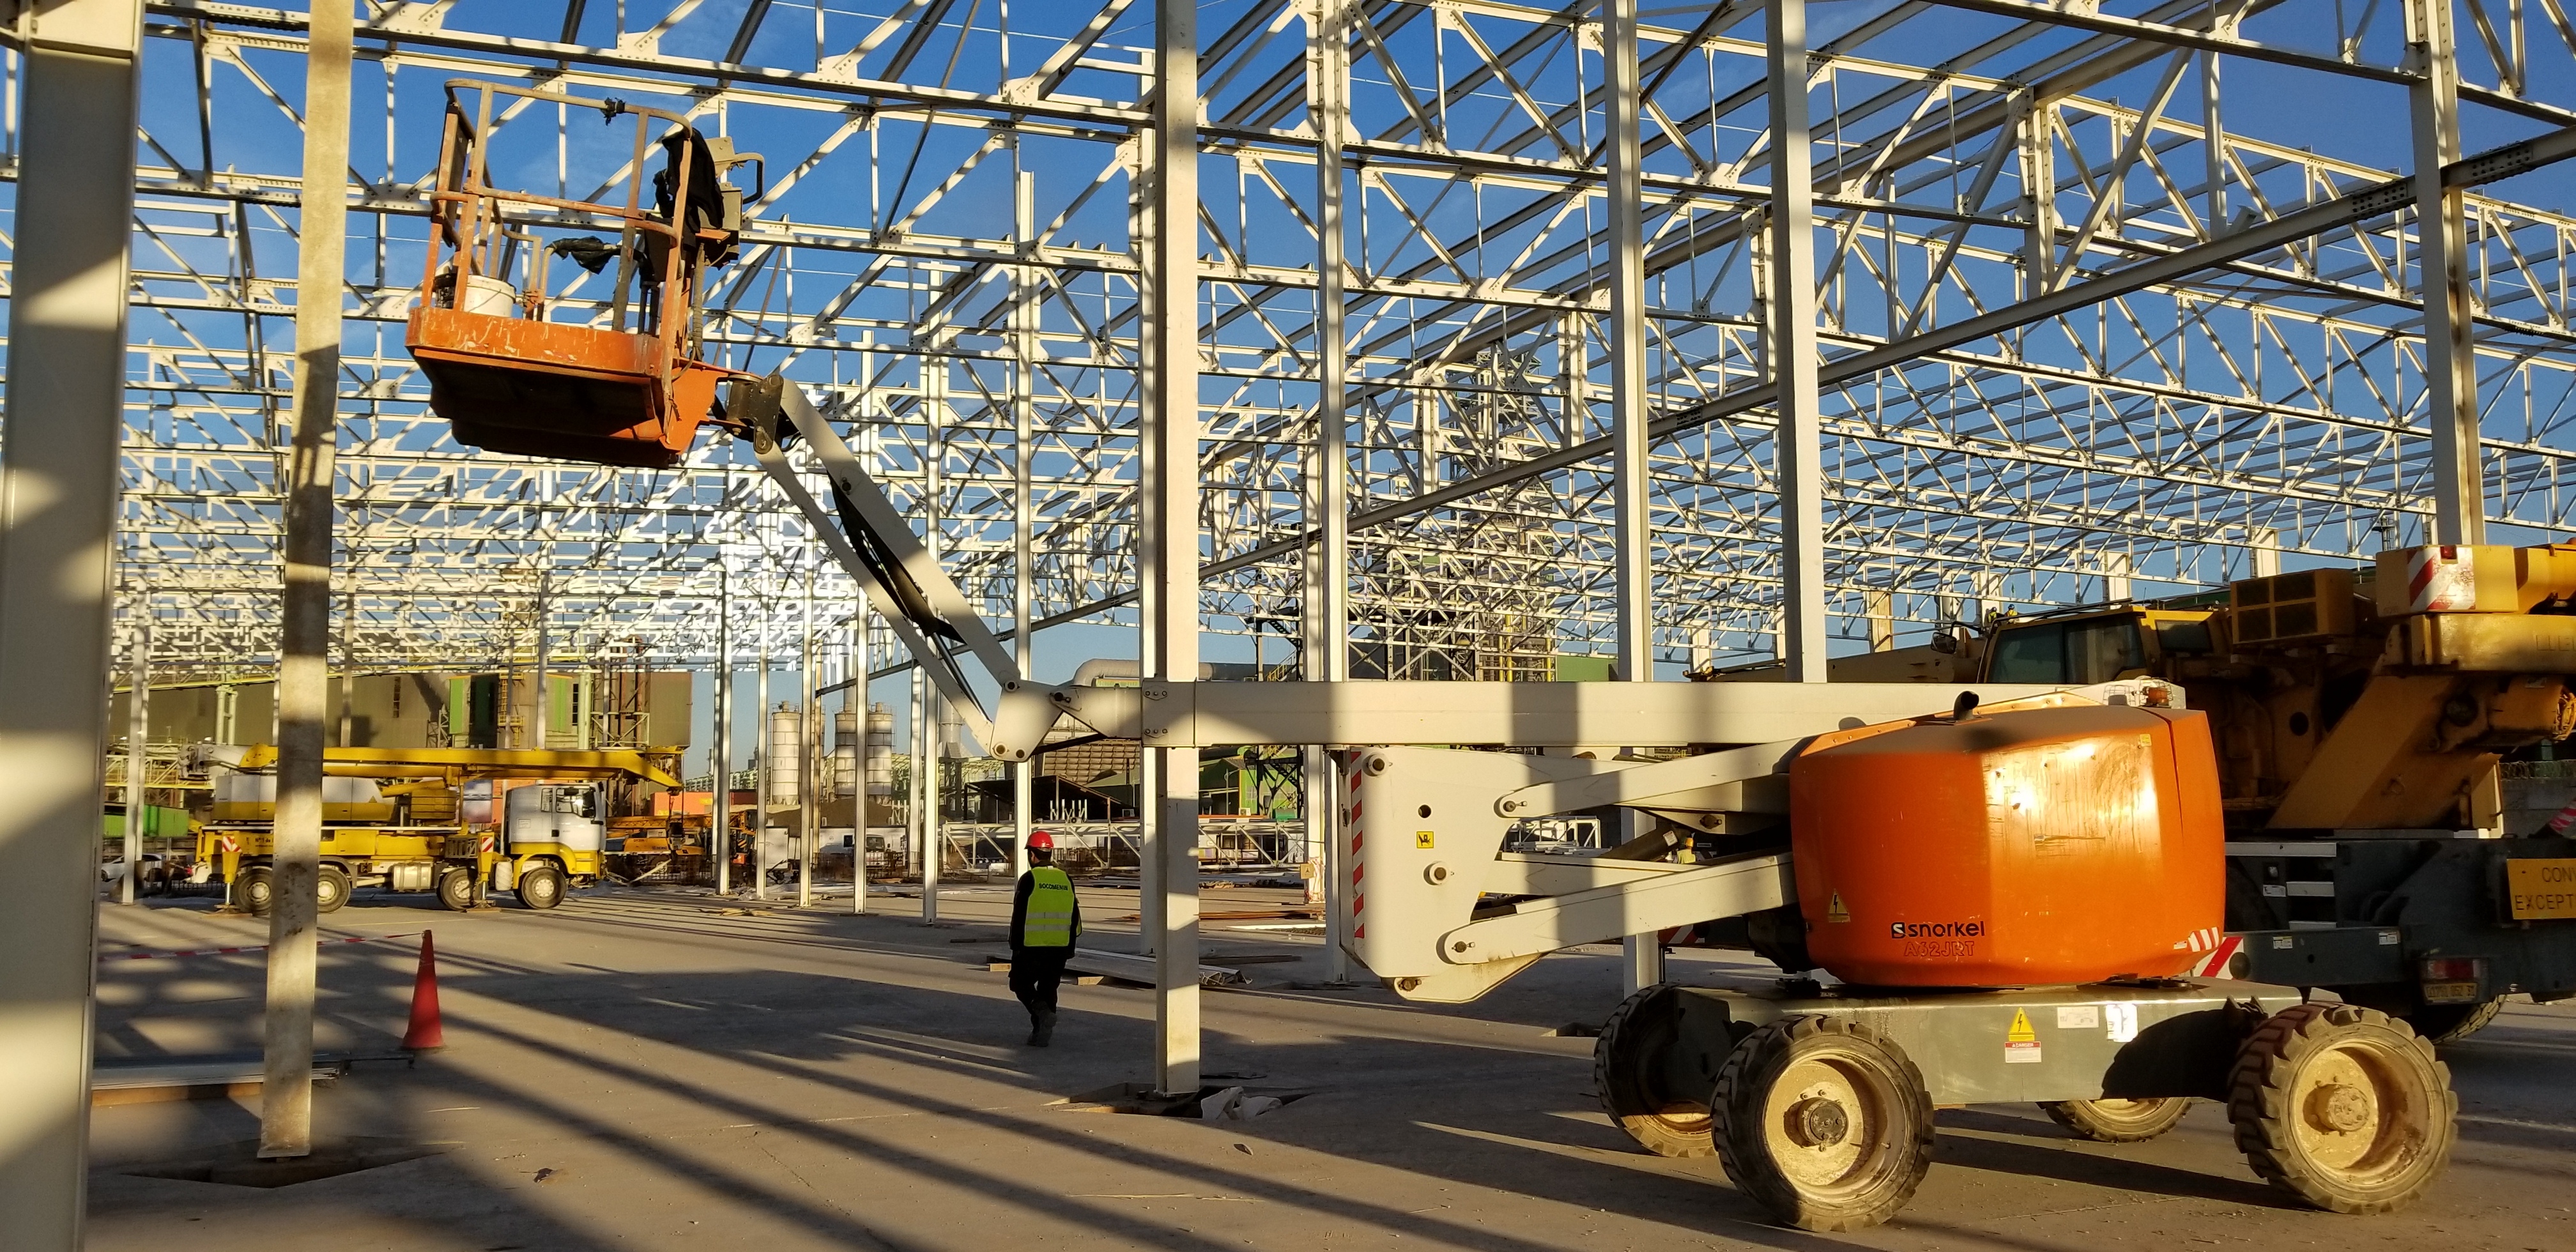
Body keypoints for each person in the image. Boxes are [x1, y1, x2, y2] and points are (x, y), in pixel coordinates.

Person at [1008, 830, 1082, 1046]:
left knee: (1019, 983)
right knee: (1049, 988)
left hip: (1031, 946)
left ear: (1032, 855)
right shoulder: (1065, 879)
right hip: (1059, 947)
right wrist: (1070, 946)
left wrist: (1015, 945)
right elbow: (1074, 916)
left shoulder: (1029, 879)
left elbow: (1019, 916)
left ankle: (1041, 1012)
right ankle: (1040, 1032)